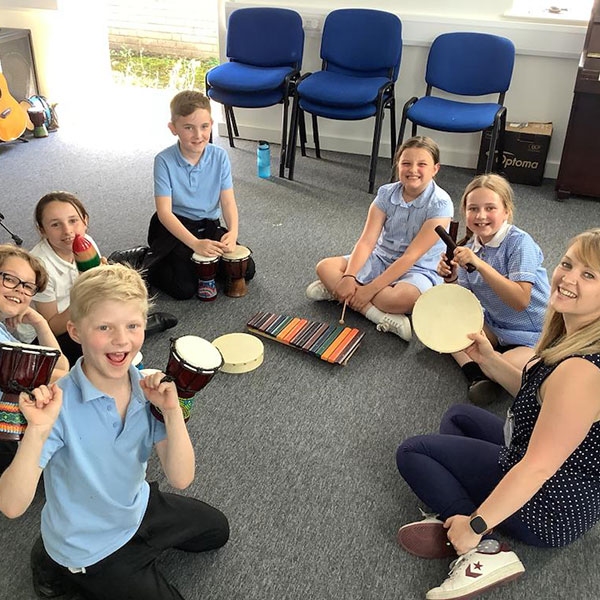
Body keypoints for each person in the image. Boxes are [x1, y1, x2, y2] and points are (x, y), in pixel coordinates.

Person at [0, 264, 229, 600]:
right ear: (75, 332)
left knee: (216, 531)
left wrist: (171, 411)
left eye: (133, 325)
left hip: (135, 508)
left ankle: (124, 559)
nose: (122, 340)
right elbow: (11, 506)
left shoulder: (146, 385)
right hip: (88, 545)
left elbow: (181, 477)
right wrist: (36, 431)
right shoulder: (56, 405)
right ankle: (54, 560)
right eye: (104, 327)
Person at [395, 228, 600, 600]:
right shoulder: (573, 333)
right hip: (550, 471)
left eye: (589, 275)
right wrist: (489, 359)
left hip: (551, 506)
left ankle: (480, 550)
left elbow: (538, 467)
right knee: (459, 416)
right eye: (568, 264)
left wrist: (475, 524)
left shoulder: (583, 372)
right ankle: (467, 510)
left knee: (413, 452)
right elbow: (537, 395)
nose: (569, 278)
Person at [305, 136, 453, 341]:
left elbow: (411, 256)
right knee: (324, 267)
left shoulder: (440, 204)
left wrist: (369, 289)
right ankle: (375, 314)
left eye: (422, 164)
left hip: (419, 267)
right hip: (382, 258)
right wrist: (349, 276)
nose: (413, 170)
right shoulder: (386, 194)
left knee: (401, 299)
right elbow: (367, 241)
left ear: (435, 169)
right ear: (397, 165)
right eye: (406, 163)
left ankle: (341, 295)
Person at [437, 174, 550, 405]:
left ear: (506, 211)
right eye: (473, 208)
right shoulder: (469, 248)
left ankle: (483, 372)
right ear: (465, 212)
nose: (480, 216)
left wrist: (479, 264)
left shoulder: (520, 243)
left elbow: (520, 301)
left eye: (490, 208)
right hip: (496, 324)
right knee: (446, 332)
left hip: (535, 333)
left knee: (502, 365)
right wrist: (451, 277)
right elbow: (464, 301)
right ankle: (476, 375)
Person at [27, 191, 177, 365]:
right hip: (53, 330)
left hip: (86, 308)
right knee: (94, 346)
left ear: (85, 221)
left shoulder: (86, 242)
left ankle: (133, 326)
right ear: (42, 230)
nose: (67, 231)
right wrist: (85, 288)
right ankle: (144, 327)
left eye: (73, 221)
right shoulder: (38, 267)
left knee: (124, 297)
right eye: (55, 225)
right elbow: (51, 327)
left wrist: (102, 276)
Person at [147, 90, 254, 300]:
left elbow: (227, 201)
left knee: (245, 269)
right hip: (175, 226)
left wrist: (232, 233)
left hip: (208, 224)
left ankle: (201, 266)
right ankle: (146, 258)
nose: (198, 135)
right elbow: (164, 213)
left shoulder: (219, 156)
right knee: (185, 289)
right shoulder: (163, 161)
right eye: (188, 127)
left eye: (204, 126)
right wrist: (195, 244)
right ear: (173, 128)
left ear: (211, 124)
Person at [0, 244, 69, 474]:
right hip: (7, 433)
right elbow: (61, 371)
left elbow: (59, 365)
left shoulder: (4, 329)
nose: (20, 290)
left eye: (28, 286)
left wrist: (40, 322)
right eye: (10, 279)